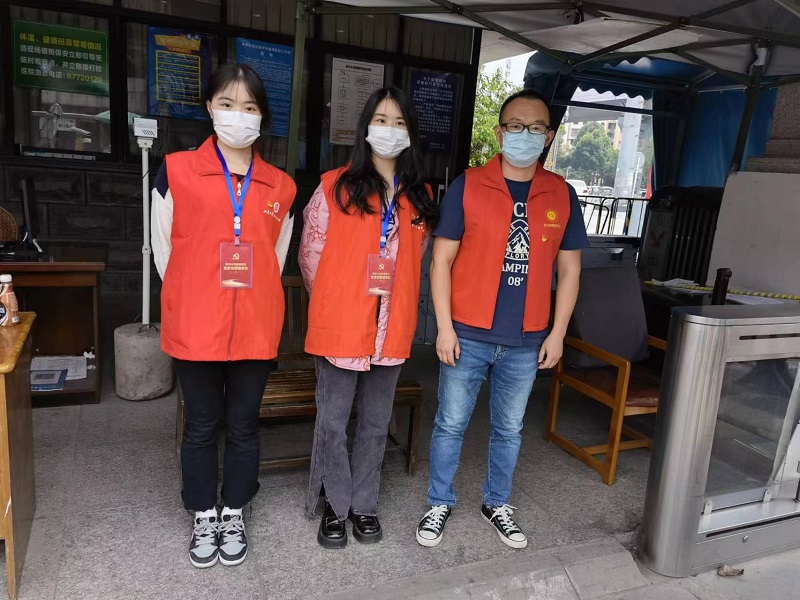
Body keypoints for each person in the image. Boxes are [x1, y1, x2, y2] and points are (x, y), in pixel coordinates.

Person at [415, 89, 588, 549]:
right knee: (450, 423)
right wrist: (444, 327)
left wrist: (558, 333)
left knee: (509, 429)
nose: (525, 134)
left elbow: (570, 271)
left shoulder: (562, 193)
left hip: (527, 339)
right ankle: (439, 501)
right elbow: (440, 261)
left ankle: (496, 503)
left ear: (549, 136)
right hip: (467, 333)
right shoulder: (469, 185)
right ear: (499, 132)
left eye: (536, 128)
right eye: (515, 126)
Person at [151, 62, 296, 568]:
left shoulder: (281, 186)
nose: (239, 115)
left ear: (262, 116)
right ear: (210, 107)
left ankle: (233, 509)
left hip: (255, 326)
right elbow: (164, 251)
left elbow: (276, 258)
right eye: (228, 104)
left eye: (250, 107)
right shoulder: (175, 170)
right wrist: (196, 297)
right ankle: (203, 513)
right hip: (196, 325)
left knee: (243, 425)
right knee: (200, 425)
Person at [299, 86, 437, 548]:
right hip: (341, 324)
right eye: (381, 120)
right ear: (365, 128)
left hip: (392, 328)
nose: (389, 130)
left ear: (411, 133)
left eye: (400, 123)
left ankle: (364, 504)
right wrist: (337, 303)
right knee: (333, 422)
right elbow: (311, 256)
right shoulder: (333, 187)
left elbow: (419, 260)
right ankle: (335, 506)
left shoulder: (420, 197)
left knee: (377, 424)